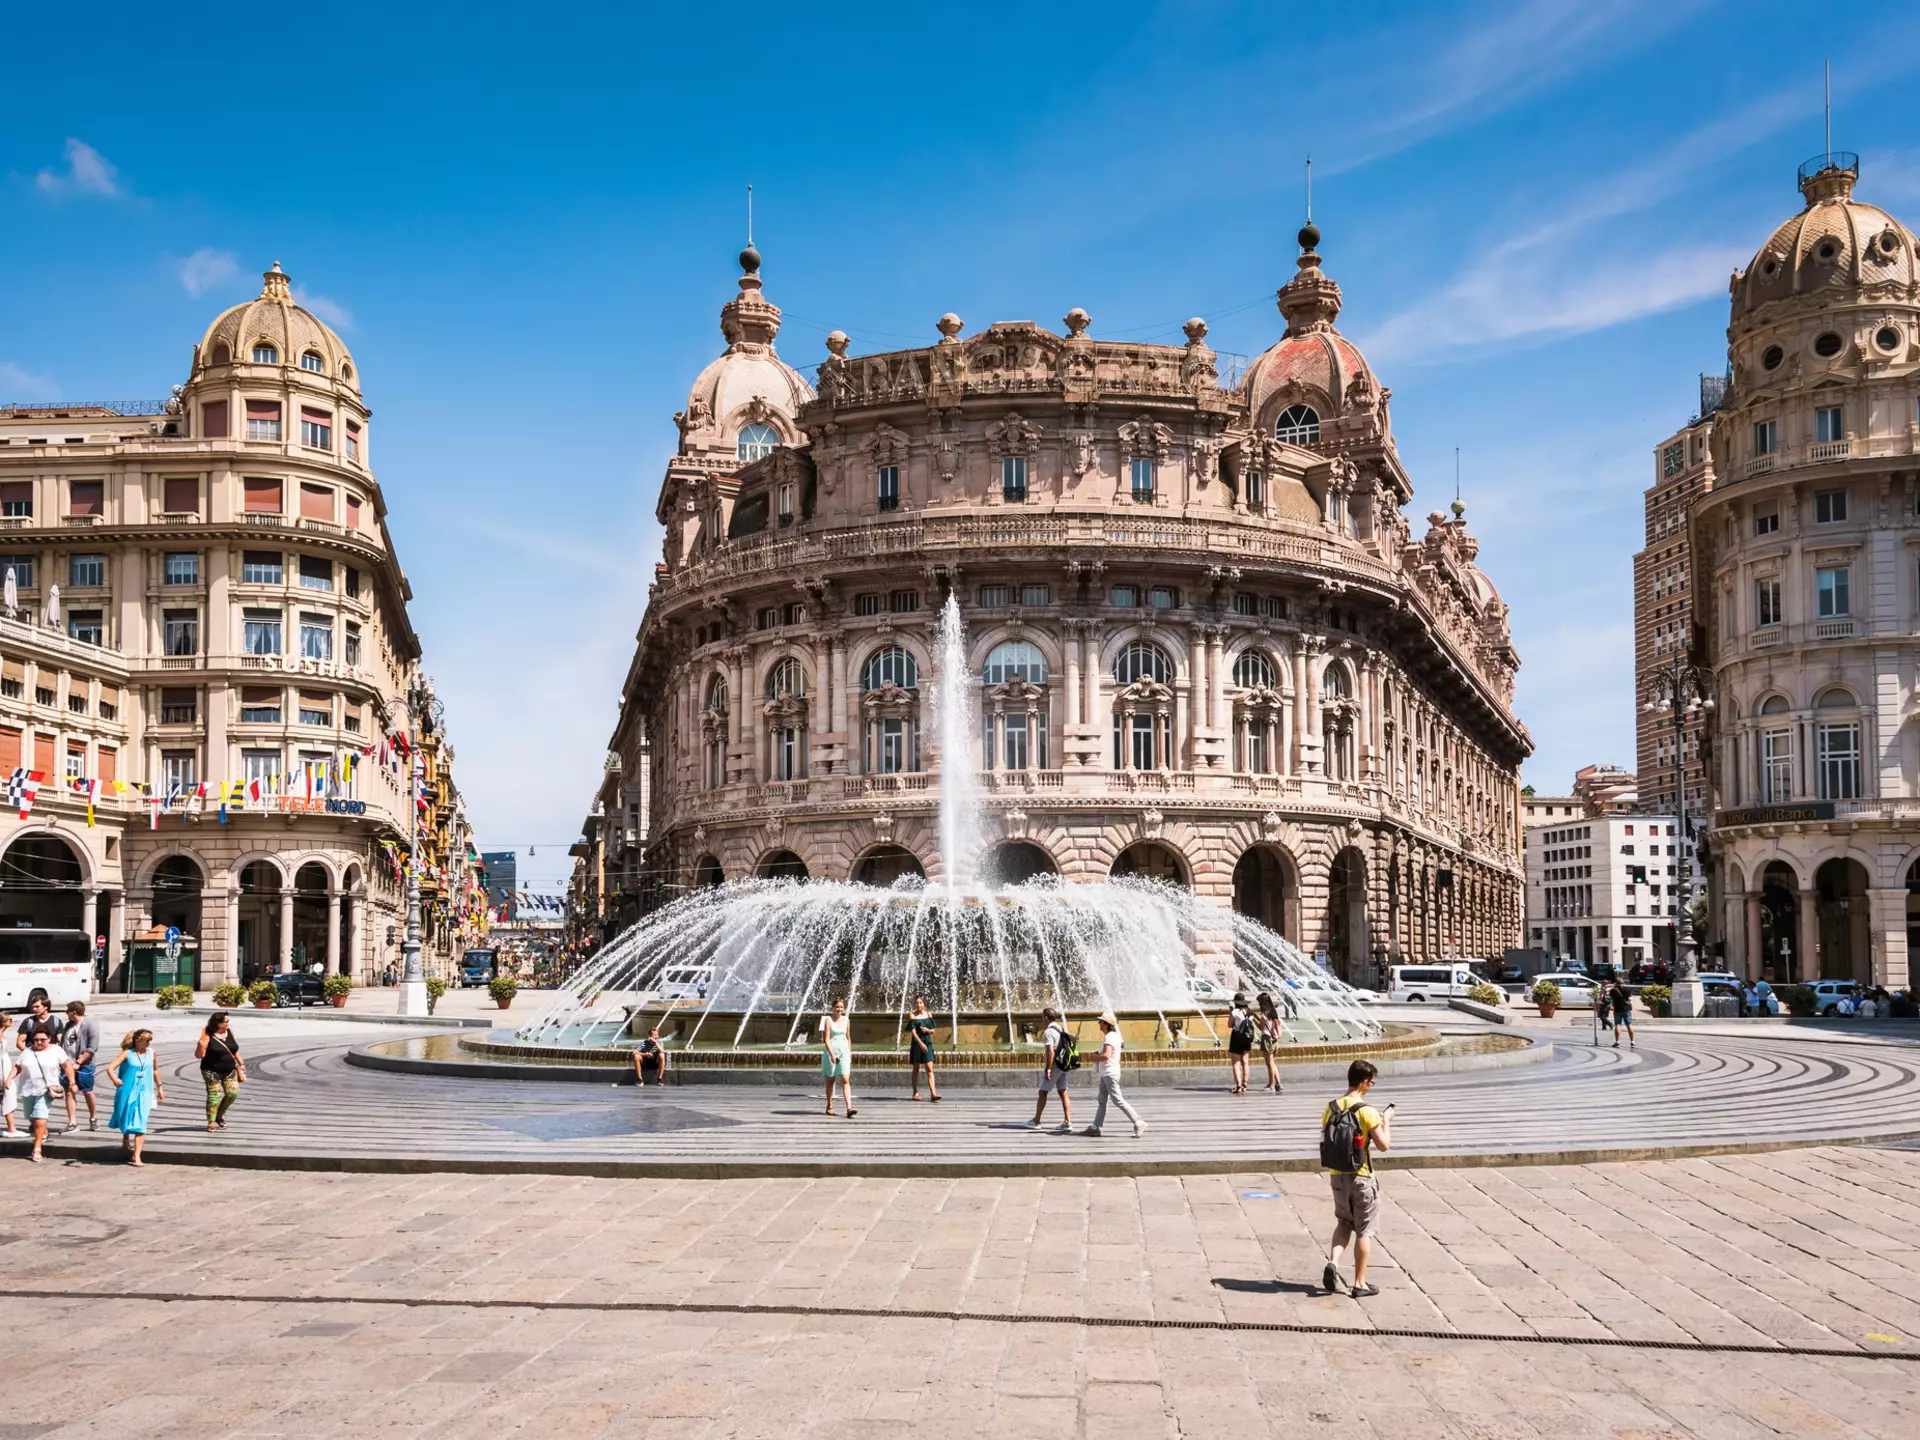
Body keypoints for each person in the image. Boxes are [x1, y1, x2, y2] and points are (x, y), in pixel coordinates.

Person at [1321, 1058, 1392, 1298]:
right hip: (1362, 1178)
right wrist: (1387, 1122)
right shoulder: (1367, 1111)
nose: (1371, 1086)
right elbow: (1383, 1145)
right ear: (1363, 1083)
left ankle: (1333, 1262)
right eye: (1371, 1083)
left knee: (1343, 1223)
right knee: (1364, 1230)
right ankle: (1359, 1283)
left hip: (1337, 1177)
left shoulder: (1331, 1107)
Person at [8, 1029, 72, 1163]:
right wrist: (9, 1079)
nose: (39, 1042)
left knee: (40, 1118)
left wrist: (72, 1081)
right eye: (36, 1040)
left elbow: (66, 1065)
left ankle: (37, 1148)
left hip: (46, 1090)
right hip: (27, 1089)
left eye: (42, 1040)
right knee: (30, 1116)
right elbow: (18, 1067)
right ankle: (43, 1131)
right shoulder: (28, 1052)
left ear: (49, 1039)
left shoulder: (56, 1050)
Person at [1083, 1010, 1146, 1139]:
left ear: (1106, 1024)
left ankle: (1138, 1122)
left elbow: (1106, 1056)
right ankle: (1095, 1127)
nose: (1098, 1023)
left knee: (1117, 1100)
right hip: (1108, 1072)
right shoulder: (1114, 1036)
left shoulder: (1109, 1037)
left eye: (1100, 1021)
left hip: (1109, 1073)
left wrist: (1095, 1057)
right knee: (1102, 1100)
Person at [107, 1028, 164, 1165]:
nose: (149, 1043)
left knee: (141, 1121)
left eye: (150, 1040)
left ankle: (136, 1156)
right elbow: (110, 1067)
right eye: (146, 1040)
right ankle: (125, 1136)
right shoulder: (127, 1054)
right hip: (127, 1090)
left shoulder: (152, 1053)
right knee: (125, 1116)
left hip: (145, 1091)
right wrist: (115, 1079)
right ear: (138, 1041)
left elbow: (155, 1070)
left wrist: (160, 1087)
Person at [1027, 1006, 1073, 1132]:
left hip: (1055, 1066)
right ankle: (1068, 1122)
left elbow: (1050, 1052)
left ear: (1046, 1018)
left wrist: (1048, 1069)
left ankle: (1036, 1121)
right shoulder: (1061, 1029)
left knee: (1043, 1092)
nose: (1042, 1020)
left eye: (1043, 1017)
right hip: (1065, 1065)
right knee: (1063, 1092)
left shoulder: (1048, 1032)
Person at [194, 1012, 244, 1130]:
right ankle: (211, 1121)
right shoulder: (207, 1034)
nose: (228, 1023)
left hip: (230, 1070)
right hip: (211, 1071)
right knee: (214, 1095)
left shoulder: (230, 1032)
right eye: (226, 1021)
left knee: (233, 1093)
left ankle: (218, 1115)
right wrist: (200, 1046)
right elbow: (199, 1055)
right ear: (219, 1023)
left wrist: (241, 1063)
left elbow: (234, 1049)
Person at [60, 1000, 101, 1133]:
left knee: (87, 1091)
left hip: (85, 1066)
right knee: (69, 1091)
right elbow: (64, 1043)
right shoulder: (69, 1025)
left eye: (67, 1011)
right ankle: (72, 1122)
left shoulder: (90, 1025)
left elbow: (92, 1048)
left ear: (74, 1012)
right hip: (68, 1064)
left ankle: (93, 1118)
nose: (66, 1014)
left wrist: (78, 1063)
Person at [821, 998, 855, 1118]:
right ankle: (830, 1106)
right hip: (831, 1052)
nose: (839, 1009)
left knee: (845, 1079)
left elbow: (848, 1038)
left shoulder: (846, 1020)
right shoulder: (828, 1020)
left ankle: (849, 1108)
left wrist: (849, 1054)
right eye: (837, 1007)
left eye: (841, 1007)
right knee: (831, 1080)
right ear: (833, 1008)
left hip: (844, 1052)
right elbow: (826, 1039)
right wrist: (831, 1055)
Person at [907, 995, 940, 1102]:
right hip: (917, 1044)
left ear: (924, 1004)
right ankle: (915, 1092)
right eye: (916, 1003)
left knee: (930, 1069)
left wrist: (927, 1030)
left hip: (928, 1043)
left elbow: (933, 1031)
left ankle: (933, 1093)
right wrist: (921, 1044)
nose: (918, 1005)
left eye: (920, 1003)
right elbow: (913, 1033)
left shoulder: (929, 1014)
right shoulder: (912, 1015)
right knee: (916, 1069)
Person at [1226, 992, 1254, 1094]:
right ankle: (1245, 1084)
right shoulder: (1249, 1012)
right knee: (1245, 1062)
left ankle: (1238, 1085)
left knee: (1236, 1062)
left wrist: (1231, 1014)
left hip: (1237, 1036)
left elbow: (1229, 1025)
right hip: (1247, 1037)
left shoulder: (1235, 1012)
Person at [1256, 992, 1284, 1093]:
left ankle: (1271, 1085)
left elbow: (1261, 1027)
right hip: (1274, 1040)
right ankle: (1278, 1084)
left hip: (1267, 1039)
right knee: (1273, 1063)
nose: (1259, 1005)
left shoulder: (1264, 1014)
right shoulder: (1273, 1013)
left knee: (1269, 1064)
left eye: (1259, 1003)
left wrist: (1253, 1019)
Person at [1607, 981, 1635, 1048]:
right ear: (1622, 983)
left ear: (1616, 983)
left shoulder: (1613, 990)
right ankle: (1632, 1041)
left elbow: (1610, 997)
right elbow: (1630, 997)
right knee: (1629, 1024)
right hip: (1626, 1009)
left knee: (1618, 1024)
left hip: (1617, 1009)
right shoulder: (1627, 989)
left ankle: (1617, 1042)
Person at [0, 1014, 15, 1136]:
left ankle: (11, 1127)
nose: (11, 1021)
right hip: (2, 1069)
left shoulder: (2, 1033)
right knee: (7, 1095)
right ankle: (11, 1128)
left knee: (7, 1096)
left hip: (5, 1067)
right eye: (9, 1019)